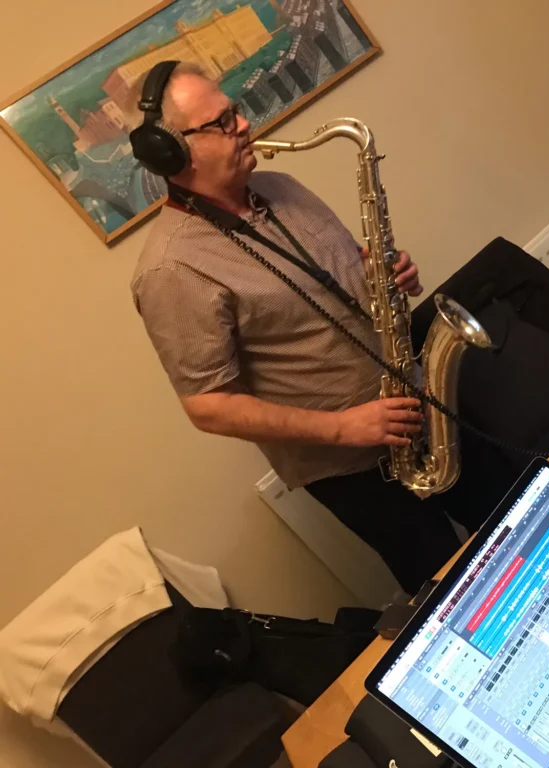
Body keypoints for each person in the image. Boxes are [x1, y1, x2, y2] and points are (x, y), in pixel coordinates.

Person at [129, 62, 515, 596]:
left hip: (420, 400)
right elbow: (208, 406)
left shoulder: (281, 187)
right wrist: (346, 428)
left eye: (235, 112)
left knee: (518, 520)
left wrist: (388, 270)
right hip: (354, 467)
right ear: (168, 153)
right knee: (454, 594)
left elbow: (336, 277)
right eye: (220, 123)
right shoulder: (170, 270)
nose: (242, 126)